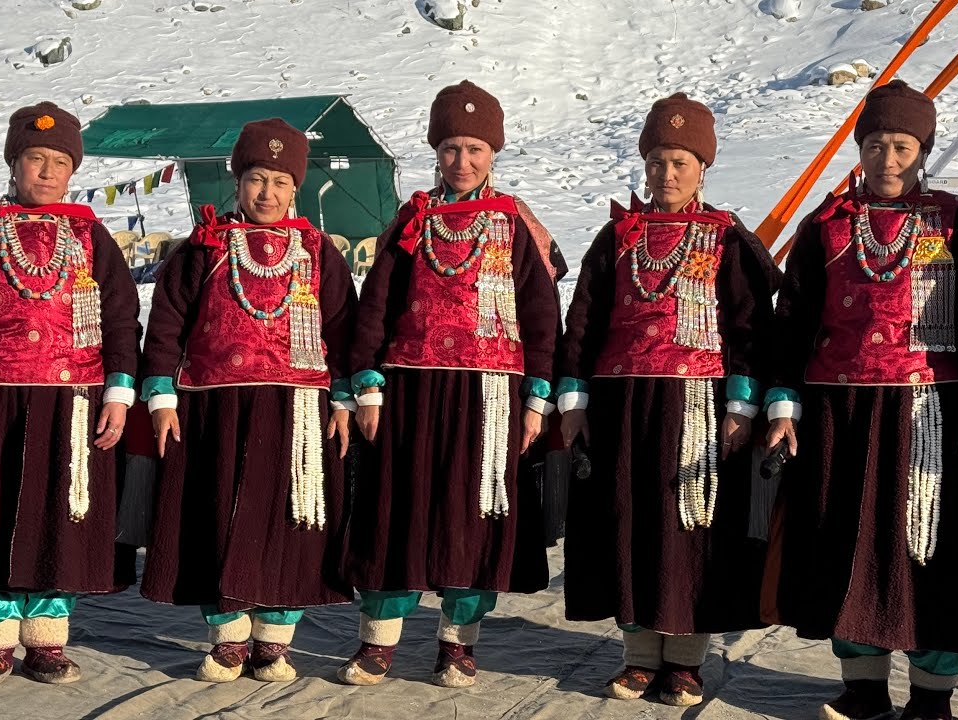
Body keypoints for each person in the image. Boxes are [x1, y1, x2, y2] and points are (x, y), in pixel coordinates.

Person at [761, 80, 958, 720]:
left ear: (922, 149)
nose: (888, 159)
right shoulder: (827, 225)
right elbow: (792, 322)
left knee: (930, 549)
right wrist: (785, 405)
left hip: (935, 414)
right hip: (838, 413)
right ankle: (864, 687)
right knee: (847, 545)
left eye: (902, 145)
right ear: (860, 149)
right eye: (875, 145)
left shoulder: (955, 222)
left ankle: (932, 696)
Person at [556, 92, 780, 707]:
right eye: (657, 161)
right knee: (627, 519)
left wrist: (740, 409)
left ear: (703, 168)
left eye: (680, 162)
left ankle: (684, 660)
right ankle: (637, 656)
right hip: (622, 407)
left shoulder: (727, 239)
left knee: (691, 527)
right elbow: (584, 322)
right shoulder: (617, 237)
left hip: (699, 410)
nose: (667, 175)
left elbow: (749, 328)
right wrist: (573, 398)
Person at [338, 80, 560, 689]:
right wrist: (369, 386)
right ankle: (379, 639)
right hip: (409, 393)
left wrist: (537, 399)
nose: (462, 162)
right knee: (395, 510)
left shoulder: (515, 224)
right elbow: (374, 307)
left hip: (490, 396)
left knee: (473, 516)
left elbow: (542, 318)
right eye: (451, 148)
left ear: (494, 154)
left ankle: (458, 644)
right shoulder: (411, 220)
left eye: (475, 150)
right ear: (436, 150)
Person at [0, 101, 141, 687]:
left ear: (73, 170)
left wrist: (119, 394)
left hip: (73, 403)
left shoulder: (92, 237)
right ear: (13, 163)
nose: (47, 172)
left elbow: (123, 320)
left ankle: (46, 639)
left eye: (59, 162)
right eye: (35, 159)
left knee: (58, 516)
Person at [140, 118, 357, 682]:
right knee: (219, 512)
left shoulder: (317, 252)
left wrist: (344, 399)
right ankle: (229, 637)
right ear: (237, 183)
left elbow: (342, 328)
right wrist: (161, 396)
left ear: (297, 189)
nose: (268, 194)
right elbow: (165, 325)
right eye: (257, 179)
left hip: (299, 412)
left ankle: (274, 641)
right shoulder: (203, 247)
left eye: (281, 183)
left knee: (290, 519)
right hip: (215, 407)